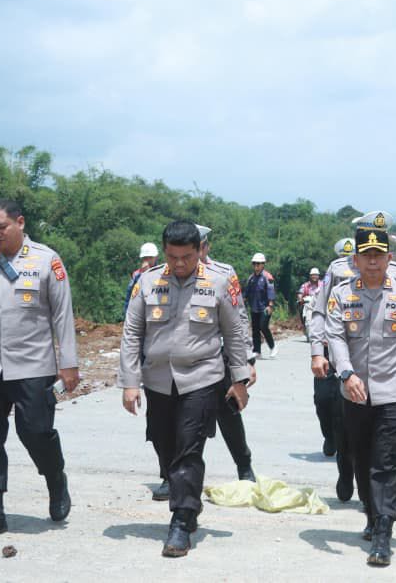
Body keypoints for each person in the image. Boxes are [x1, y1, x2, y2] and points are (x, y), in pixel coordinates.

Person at [118, 220, 250, 557]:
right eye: (173, 257)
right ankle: (189, 500)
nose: (179, 264)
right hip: (158, 380)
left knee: (189, 449)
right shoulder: (147, 281)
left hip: (202, 377)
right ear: (165, 251)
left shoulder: (218, 282)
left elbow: (234, 332)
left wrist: (240, 380)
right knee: (164, 445)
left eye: (187, 257)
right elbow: (132, 332)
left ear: (199, 251)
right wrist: (130, 382)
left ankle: (180, 520)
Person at [0, 199, 79, 540]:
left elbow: (62, 314)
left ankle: (55, 477)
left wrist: (68, 364)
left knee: (36, 432)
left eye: (1, 227)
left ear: (19, 222)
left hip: (33, 365)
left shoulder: (46, 260)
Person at [325, 223, 396, 566]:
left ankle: (384, 530)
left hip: (393, 391)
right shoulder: (341, 294)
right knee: (360, 457)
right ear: (355, 260)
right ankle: (372, 515)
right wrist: (346, 373)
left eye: (378, 255)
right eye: (366, 255)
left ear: (389, 258)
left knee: (386, 462)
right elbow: (335, 336)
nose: (372, 261)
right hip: (354, 392)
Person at [197, 226, 257, 483]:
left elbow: (239, 316)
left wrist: (247, 360)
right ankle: (173, 474)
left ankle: (244, 465)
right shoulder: (171, 274)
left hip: (220, 354)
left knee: (229, 412)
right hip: (188, 357)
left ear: (206, 247)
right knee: (185, 418)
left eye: (200, 247)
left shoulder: (224, 273)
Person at [309, 237, 359, 495]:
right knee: (325, 401)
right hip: (334, 349)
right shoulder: (337, 269)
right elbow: (320, 309)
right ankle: (336, 448)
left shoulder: (394, 273)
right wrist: (317, 350)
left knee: (361, 420)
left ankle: (364, 482)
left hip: (369, 357)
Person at [245, 253, 276, 355]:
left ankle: (272, 346)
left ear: (263, 264)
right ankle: (257, 351)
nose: (256, 266)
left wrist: (270, 305)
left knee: (263, 326)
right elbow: (246, 292)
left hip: (265, 307)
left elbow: (271, 291)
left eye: (258, 264)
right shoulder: (251, 278)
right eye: (254, 264)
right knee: (255, 329)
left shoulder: (267, 277)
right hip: (254, 307)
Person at [124, 242, 159, 315]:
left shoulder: (162, 273)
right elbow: (130, 294)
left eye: (150, 257)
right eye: (145, 258)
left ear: (156, 257)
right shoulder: (136, 274)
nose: (148, 260)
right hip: (140, 311)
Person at [297, 267, 322, 342]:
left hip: (320, 304)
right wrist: (300, 298)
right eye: (313, 275)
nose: (314, 277)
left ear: (318, 276)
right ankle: (307, 332)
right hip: (308, 305)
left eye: (316, 275)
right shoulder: (305, 285)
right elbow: (300, 293)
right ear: (310, 276)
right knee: (307, 320)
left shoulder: (322, 285)